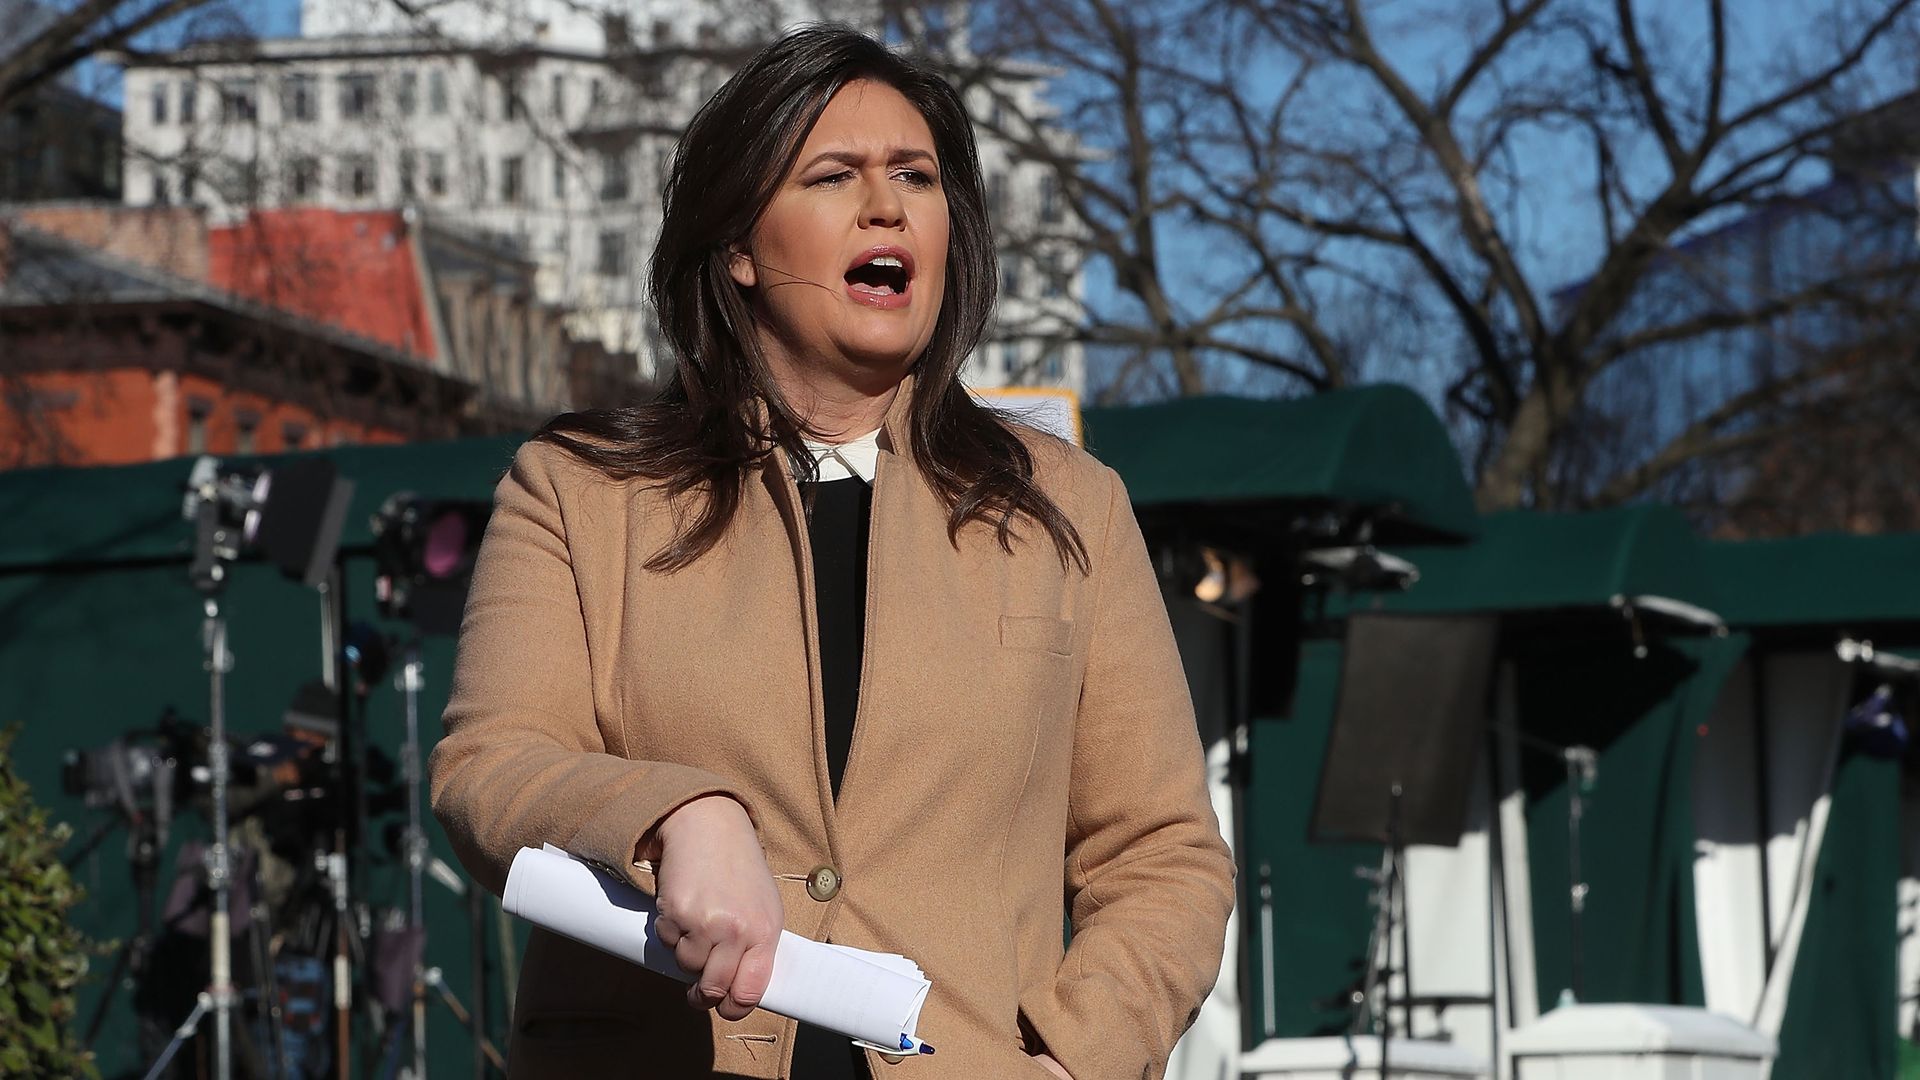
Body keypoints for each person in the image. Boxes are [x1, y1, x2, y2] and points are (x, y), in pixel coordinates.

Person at [429, 24, 1233, 1080]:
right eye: (834, 175)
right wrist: (674, 813)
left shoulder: (1065, 509)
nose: (889, 205)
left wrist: (1077, 1058)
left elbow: (1163, 853)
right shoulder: (582, 492)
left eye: (917, 175)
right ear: (740, 249)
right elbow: (489, 772)